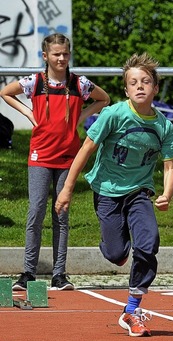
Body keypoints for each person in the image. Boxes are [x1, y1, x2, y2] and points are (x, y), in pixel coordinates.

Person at [55, 53, 173, 337]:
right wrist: (67, 188)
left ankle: (132, 309)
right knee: (115, 253)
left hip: (139, 192)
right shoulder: (114, 115)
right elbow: (86, 148)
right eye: (133, 82)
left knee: (149, 243)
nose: (140, 87)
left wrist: (167, 194)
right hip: (107, 191)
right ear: (126, 90)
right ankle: (115, 247)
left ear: (155, 88)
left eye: (146, 81)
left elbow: (170, 165)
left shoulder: (164, 126)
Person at [0, 33, 110, 291]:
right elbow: (6, 92)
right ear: (45, 56)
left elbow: (104, 99)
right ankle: (28, 272)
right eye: (56, 54)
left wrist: (82, 115)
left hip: (68, 156)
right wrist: (28, 112)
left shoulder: (78, 83)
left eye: (65, 54)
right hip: (39, 155)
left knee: (61, 215)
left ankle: (59, 274)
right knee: (36, 211)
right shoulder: (35, 82)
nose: (61, 58)